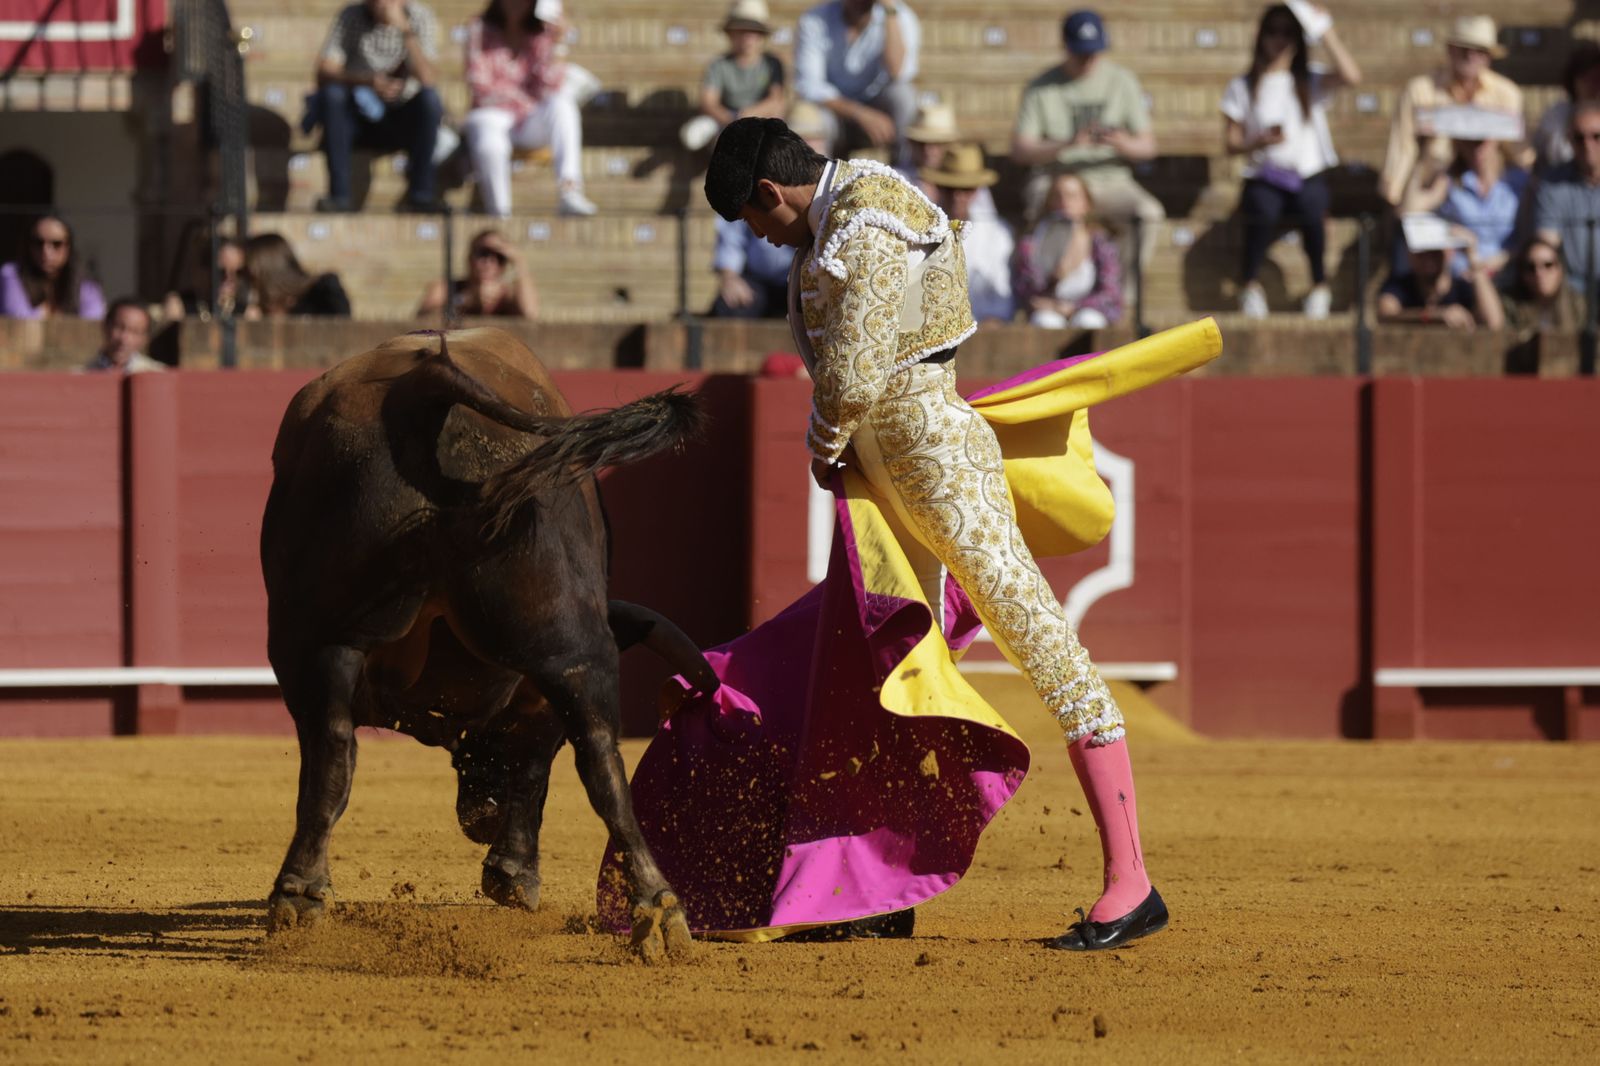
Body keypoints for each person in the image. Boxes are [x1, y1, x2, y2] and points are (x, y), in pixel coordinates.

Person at [697, 116, 1174, 950]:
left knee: (1042, 637)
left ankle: (1131, 884)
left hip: (936, 457)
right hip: (889, 472)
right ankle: (875, 886)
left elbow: (855, 364)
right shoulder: (838, 223)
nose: (761, 240)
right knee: (885, 666)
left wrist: (821, 443)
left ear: (770, 192)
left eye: (752, 220)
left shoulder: (868, 210)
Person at [1222, 3, 1361, 320]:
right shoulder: (1243, 86)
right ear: (1261, 36)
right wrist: (1257, 141)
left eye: (1288, 32)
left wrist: (1322, 28)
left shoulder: (1309, 81)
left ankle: (1319, 287)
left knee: (1314, 207)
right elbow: (1230, 142)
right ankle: (1250, 285)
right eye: (1273, 32)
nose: (1279, 40)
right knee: (1262, 209)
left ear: (1298, 38)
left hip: (1306, 176)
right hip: (1264, 176)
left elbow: (1352, 75)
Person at [1010, 10, 1162, 272]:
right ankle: (1045, 293)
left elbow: (1148, 147)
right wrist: (1068, 143)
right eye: (1081, 53)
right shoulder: (1040, 86)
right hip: (1056, 177)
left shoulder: (1122, 81)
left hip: (1110, 180)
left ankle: (1121, 299)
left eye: (1094, 52)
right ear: (1065, 47)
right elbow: (1020, 150)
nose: (1088, 60)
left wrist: (1120, 142)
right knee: (1041, 204)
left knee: (1149, 215)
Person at [463, 0, 598, 218]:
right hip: (493, 115)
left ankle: (570, 191)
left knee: (562, 103)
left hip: (528, 120)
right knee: (488, 139)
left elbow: (551, 85)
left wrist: (558, 42)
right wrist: (523, 98)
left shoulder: (542, 34)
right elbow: (479, 87)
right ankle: (499, 213)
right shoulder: (478, 29)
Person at [310, 0, 446, 213]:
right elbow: (324, 72)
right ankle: (339, 197)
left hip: (403, 116)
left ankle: (422, 195)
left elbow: (427, 78)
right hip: (358, 118)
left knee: (430, 100)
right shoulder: (351, 16)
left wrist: (405, 30)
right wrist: (367, 81)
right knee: (332, 95)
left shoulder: (419, 16)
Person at [1377, 15, 1525, 209]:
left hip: (1486, 195)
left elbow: (1519, 153)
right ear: (1451, 50)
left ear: (1489, 56)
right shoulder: (1420, 89)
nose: (1472, 57)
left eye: (1480, 51)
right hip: (1432, 187)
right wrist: (1394, 193)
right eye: (1465, 49)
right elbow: (1403, 146)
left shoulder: (1507, 93)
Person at [794, 0, 921, 165]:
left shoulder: (901, 16)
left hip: (880, 110)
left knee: (903, 95)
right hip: (835, 112)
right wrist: (860, 113)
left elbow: (898, 72)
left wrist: (890, 12)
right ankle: (818, 181)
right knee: (812, 116)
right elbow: (809, 85)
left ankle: (906, 173)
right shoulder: (814, 20)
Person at [1402, 128, 1528, 279]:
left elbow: (1532, 232)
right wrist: (1423, 153)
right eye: (1467, 142)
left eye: (1480, 141)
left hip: (1512, 271)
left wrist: (1505, 257)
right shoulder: (1450, 181)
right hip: (1464, 274)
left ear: (1497, 138)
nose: (1475, 148)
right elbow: (1410, 210)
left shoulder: (1519, 180)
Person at [1014, 171, 1123, 329]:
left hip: (1087, 311)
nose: (1064, 202)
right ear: (1049, 202)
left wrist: (1073, 308)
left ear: (1086, 203)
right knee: (1046, 321)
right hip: (1048, 311)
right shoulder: (1032, 241)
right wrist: (1054, 280)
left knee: (1088, 321)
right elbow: (1026, 290)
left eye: (1072, 196)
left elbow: (1110, 293)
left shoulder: (1100, 241)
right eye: (1058, 196)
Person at [923, 144, 1014, 323]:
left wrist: (994, 321)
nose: (957, 196)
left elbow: (1001, 291)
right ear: (937, 187)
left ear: (977, 190)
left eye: (966, 189)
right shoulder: (921, 232)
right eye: (949, 188)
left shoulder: (998, 234)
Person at [681, 0, 787, 152]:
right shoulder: (719, 65)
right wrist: (732, 120)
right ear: (731, 34)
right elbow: (708, 103)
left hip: (760, 118)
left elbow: (776, 101)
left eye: (753, 32)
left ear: (761, 36)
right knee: (693, 135)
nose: (747, 38)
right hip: (726, 119)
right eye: (741, 31)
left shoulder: (772, 63)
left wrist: (747, 116)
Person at [1376, 229, 1503, 331]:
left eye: (1435, 252)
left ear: (1449, 253)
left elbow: (1494, 323)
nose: (1428, 259)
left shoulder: (1463, 288)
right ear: (1410, 255)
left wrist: (1473, 258)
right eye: (1421, 253)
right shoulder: (1399, 285)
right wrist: (1434, 316)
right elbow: (1385, 314)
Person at [1535, 101, 1600, 293]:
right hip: (1570, 289)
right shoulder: (1552, 183)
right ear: (1569, 140)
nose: (1588, 145)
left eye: (1597, 136)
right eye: (1580, 138)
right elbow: (1548, 241)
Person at [1, 212, 105, 320]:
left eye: (56, 244)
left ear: (68, 247)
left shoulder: (86, 282)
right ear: (28, 246)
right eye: (38, 243)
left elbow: (93, 319)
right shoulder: (11, 274)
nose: (46, 251)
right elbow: (19, 320)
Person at [416, 229, 539, 318]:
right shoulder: (446, 288)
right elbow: (423, 320)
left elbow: (530, 314)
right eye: (483, 253)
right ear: (470, 258)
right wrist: (463, 302)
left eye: (500, 257)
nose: (490, 262)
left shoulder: (508, 294)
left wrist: (519, 262)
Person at [243, 234, 352, 317]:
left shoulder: (323, 291)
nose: (245, 277)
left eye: (246, 270)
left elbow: (345, 333)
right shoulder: (257, 309)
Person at [1534, 42, 1600, 175]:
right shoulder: (1555, 115)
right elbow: (1541, 154)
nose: (1593, 85)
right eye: (1587, 79)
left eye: (1598, 78)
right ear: (1573, 80)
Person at [162, 233, 247, 323]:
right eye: (221, 272)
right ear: (200, 270)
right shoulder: (179, 307)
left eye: (238, 273)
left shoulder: (248, 314)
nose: (230, 278)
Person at [83, 298, 166, 373]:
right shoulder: (83, 374)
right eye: (119, 328)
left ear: (145, 338)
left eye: (135, 332)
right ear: (106, 326)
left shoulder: (157, 374)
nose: (124, 339)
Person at [901, 100, 959, 199]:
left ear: (949, 145)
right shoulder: (898, 179)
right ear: (911, 143)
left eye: (936, 143)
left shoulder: (966, 180)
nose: (928, 150)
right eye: (921, 143)